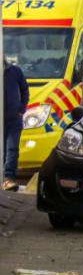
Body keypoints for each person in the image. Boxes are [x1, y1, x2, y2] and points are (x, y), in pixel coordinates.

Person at [3, 60, 29, 191]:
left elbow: (25, 89)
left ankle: (8, 179)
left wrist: (22, 109)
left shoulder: (15, 71)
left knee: (12, 149)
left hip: (14, 119)